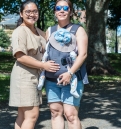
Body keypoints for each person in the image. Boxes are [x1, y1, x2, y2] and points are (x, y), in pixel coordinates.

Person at [9, 1, 59, 129]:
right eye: (28, 12)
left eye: (35, 11)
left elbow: (54, 42)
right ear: (21, 14)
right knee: (32, 115)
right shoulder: (20, 31)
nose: (32, 14)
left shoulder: (40, 32)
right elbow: (20, 56)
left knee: (22, 116)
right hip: (24, 76)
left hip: (35, 76)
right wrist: (43, 65)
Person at [44, 0, 89, 129]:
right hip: (51, 80)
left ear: (70, 11)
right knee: (55, 113)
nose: (61, 10)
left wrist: (70, 73)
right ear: (55, 11)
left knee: (71, 115)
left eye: (65, 7)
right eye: (58, 8)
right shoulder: (50, 30)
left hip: (72, 79)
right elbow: (45, 52)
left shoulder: (78, 30)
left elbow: (83, 54)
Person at [37, 28, 79, 98]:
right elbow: (73, 56)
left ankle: (73, 90)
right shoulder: (50, 43)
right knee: (74, 78)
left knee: (73, 77)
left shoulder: (51, 45)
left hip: (66, 72)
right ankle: (73, 89)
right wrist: (43, 63)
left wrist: (43, 62)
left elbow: (46, 54)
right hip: (54, 74)